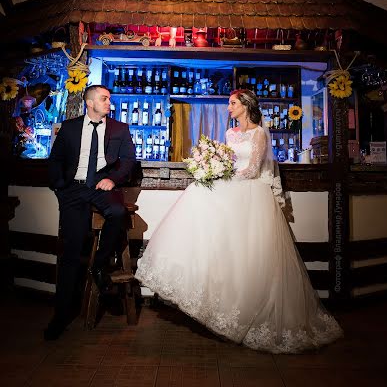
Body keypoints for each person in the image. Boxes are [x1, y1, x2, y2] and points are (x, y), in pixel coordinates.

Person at [136, 89, 342, 353]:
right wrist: (214, 166)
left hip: (251, 194)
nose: (229, 107)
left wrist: (223, 172)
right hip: (232, 188)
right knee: (211, 222)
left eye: (232, 103)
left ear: (245, 105)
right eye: (229, 103)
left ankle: (249, 311)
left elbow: (254, 169)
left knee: (248, 252)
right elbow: (229, 161)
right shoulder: (230, 133)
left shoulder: (259, 133)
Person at [45, 84, 135, 340]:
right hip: (73, 189)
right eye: (105, 99)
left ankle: (98, 265)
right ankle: (60, 316)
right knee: (71, 250)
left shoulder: (119, 128)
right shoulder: (70, 127)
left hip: (101, 186)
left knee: (118, 212)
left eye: (109, 99)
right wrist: (60, 188)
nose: (110, 103)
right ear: (90, 102)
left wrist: (114, 180)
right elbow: (56, 160)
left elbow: (129, 159)